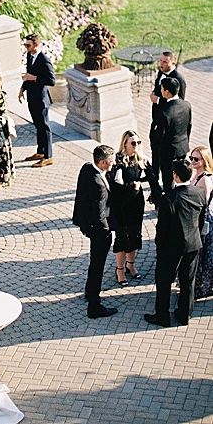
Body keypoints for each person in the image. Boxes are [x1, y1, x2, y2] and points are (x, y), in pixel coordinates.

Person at [144, 158, 207, 327]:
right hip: (193, 243)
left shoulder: (169, 198)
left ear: (175, 176)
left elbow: (162, 227)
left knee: (164, 281)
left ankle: (162, 316)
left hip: (171, 247)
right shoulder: (199, 193)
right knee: (188, 281)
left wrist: (159, 245)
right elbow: (201, 219)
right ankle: (184, 314)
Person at [107, 130, 162, 286]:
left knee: (134, 233)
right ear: (125, 144)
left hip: (136, 203)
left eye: (138, 142)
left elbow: (153, 181)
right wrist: (131, 185)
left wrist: (159, 202)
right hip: (121, 204)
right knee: (122, 236)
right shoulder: (118, 161)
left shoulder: (142, 160)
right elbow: (112, 186)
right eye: (133, 143)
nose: (136, 145)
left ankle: (130, 264)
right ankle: (119, 269)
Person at [72, 144, 118, 319]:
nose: (113, 164)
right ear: (102, 162)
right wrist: (106, 232)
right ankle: (94, 305)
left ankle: (89, 292)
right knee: (97, 266)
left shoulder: (87, 168)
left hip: (87, 224)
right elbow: (100, 216)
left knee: (94, 264)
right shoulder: (99, 185)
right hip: (98, 231)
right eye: (111, 162)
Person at [18, 34, 56, 168]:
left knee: (44, 127)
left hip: (41, 99)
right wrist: (22, 88)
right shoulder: (30, 56)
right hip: (32, 98)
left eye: (28, 45)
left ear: (36, 45)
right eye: (25, 45)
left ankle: (48, 156)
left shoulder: (44, 60)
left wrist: (34, 78)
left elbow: (51, 81)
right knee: (38, 126)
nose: (26, 47)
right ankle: (40, 152)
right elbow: (29, 74)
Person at [149, 51, 186, 185]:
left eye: (165, 62)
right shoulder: (161, 73)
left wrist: (158, 100)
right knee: (155, 156)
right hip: (156, 122)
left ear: (173, 63)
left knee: (166, 165)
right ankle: (154, 182)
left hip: (167, 128)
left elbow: (178, 104)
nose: (161, 64)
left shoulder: (178, 80)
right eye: (160, 61)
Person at [158, 76, 192, 193]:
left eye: (162, 88)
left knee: (168, 179)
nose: (161, 91)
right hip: (182, 147)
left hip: (169, 152)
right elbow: (189, 126)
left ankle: (170, 199)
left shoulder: (164, 111)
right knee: (182, 176)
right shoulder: (186, 105)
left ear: (167, 92)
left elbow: (160, 135)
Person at [190, 146, 213, 300]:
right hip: (197, 218)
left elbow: (203, 203)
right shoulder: (197, 175)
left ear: (204, 161)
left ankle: (201, 287)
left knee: (202, 255)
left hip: (203, 220)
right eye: (191, 158)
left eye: (196, 159)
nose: (193, 161)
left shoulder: (204, 179)